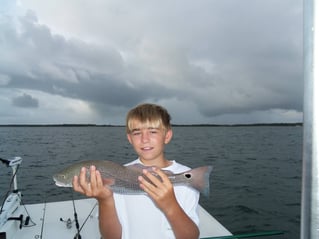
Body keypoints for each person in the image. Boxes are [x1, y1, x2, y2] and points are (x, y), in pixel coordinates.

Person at [73, 103, 200, 239]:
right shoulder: (117, 176)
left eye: (153, 131)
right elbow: (111, 237)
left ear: (167, 136)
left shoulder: (187, 176)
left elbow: (191, 236)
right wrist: (105, 200)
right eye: (137, 133)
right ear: (130, 139)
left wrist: (170, 206)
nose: (144, 139)